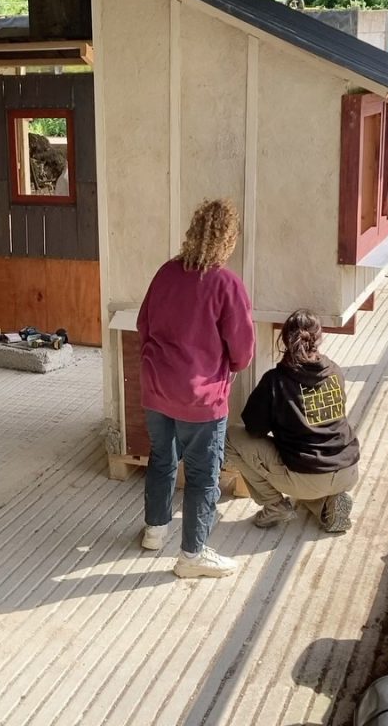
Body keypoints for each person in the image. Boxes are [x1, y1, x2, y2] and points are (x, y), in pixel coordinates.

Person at [137, 198, 255, 579]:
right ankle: (192, 555)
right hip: (201, 401)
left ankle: (155, 530)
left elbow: (144, 325)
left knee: (161, 457)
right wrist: (228, 370)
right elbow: (242, 350)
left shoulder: (166, 273)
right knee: (203, 475)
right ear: (229, 240)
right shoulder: (226, 284)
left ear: (192, 231)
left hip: (157, 388)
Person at [225, 309, 359, 533]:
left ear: (285, 339)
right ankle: (327, 504)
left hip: (307, 475)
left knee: (231, 436)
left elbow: (254, 429)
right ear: (319, 337)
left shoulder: (276, 380)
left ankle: (275, 505)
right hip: (348, 469)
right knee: (308, 479)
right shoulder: (334, 371)